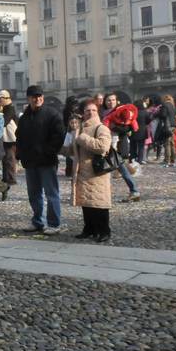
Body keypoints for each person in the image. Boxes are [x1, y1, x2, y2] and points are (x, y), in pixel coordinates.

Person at [16, 85, 66, 235]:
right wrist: (20, 154)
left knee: (51, 194)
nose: (37, 99)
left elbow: (59, 136)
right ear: (28, 98)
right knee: (34, 194)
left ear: (42, 98)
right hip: (30, 162)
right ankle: (38, 221)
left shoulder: (52, 114)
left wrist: (48, 152)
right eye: (34, 96)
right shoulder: (25, 116)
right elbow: (19, 136)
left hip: (46, 161)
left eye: (39, 96)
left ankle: (54, 223)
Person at [63, 98, 113, 243]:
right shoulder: (79, 128)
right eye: (87, 110)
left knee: (99, 202)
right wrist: (64, 148)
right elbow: (74, 150)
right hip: (82, 172)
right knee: (86, 202)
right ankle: (89, 229)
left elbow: (103, 146)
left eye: (93, 110)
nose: (90, 113)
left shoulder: (101, 128)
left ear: (97, 112)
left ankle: (104, 231)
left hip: (96, 172)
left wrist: (82, 138)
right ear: (83, 113)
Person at [100, 93, 141, 203]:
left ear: (117, 101)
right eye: (108, 100)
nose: (111, 102)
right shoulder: (102, 113)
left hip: (118, 144)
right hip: (105, 143)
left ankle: (133, 191)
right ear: (105, 102)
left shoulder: (123, 111)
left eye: (113, 100)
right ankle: (134, 191)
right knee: (115, 169)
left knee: (111, 169)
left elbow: (128, 127)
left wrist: (114, 127)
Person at [0, 90, 18, 186]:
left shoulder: (9, 109)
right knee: (6, 158)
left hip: (10, 138)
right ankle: (6, 178)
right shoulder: (4, 108)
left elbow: (4, 122)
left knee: (9, 158)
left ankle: (10, 179)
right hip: (6, 138)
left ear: (5, 99)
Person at [156, 94, 176, 167]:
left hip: (167, 126)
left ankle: (167, 160)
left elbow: (163, 115)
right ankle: (173, 159)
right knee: (172, 144)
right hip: (173, 125)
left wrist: (158, 113)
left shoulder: (164, 105)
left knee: (167, 144)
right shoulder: (172, 105)